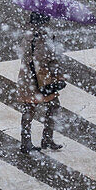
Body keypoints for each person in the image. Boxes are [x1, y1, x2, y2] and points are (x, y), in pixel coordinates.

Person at [17, 11, 65, 153]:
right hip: (37, 80)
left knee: (34, 109)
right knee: (41, 108)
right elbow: (43, 60)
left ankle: (34, 140)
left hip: (33, 79)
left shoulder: (32, 36)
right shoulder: (38, 38)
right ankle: (39, 140)